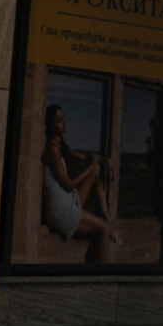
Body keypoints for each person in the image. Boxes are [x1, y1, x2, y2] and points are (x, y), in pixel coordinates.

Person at [41, 106, 113, 253]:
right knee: (104, 229)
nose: (64, 123)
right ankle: (103, 275)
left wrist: (105, 160)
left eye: (64, 118)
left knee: (97, 169)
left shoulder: (62, 146)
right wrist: (91, 165)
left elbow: (86, 157)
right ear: (50, 125)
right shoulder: (52, 149)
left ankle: (106, 216)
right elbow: (68, 185)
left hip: (67, 200)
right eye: (59, 121)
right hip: (60, 209)